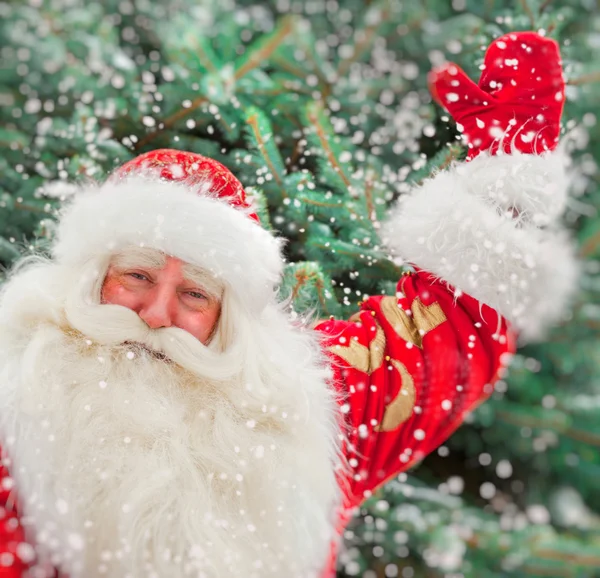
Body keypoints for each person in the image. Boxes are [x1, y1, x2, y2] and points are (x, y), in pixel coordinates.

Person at [0, 31, 578, 578]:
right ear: (91, 275)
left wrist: (508, 179)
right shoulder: (16, 388)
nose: (155, 315)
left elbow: (457, 331)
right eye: (136, 277)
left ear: (227, 315)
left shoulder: (303, 405)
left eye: (194, 294)